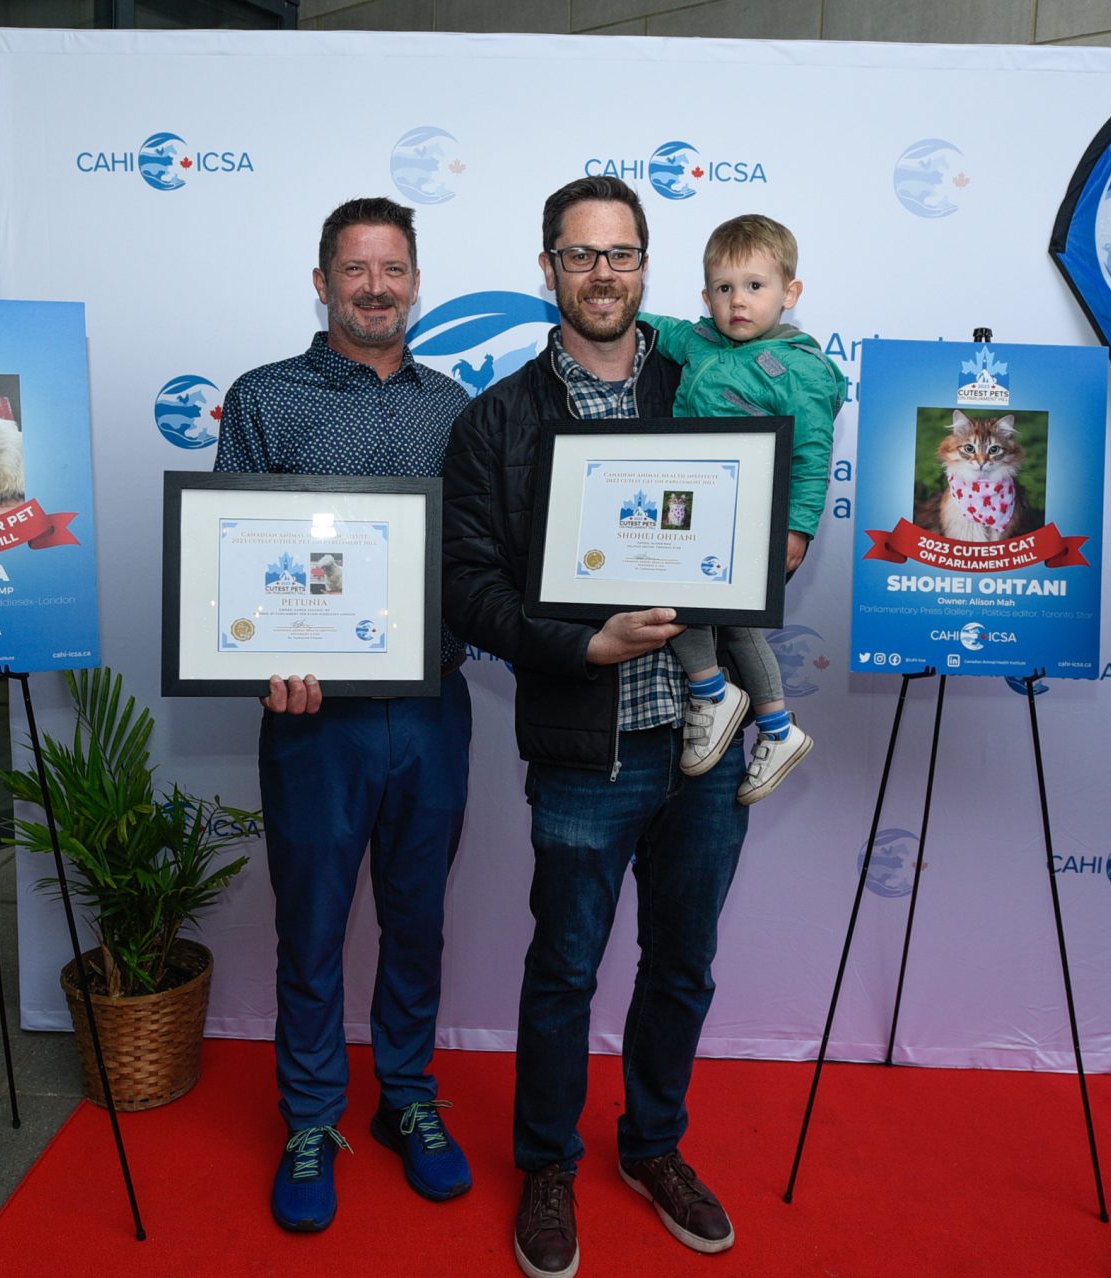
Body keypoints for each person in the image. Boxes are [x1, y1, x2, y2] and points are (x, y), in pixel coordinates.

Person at [443, 176, 749, 1278]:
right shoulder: (499, 422)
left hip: (706, 750)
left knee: (683, 967)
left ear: (646, 268)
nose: (602, 273)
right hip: (586, 747)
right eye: (581, 255)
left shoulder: (705, 384)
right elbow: (467, 588)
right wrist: (586, 645)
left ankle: (653, 1147)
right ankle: (549, 1164)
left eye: (622, 255)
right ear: (549, 270)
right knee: (565, 969)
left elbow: (758, 509)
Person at [216, 196, 474, 1233]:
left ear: (417, 281)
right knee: (312, 924)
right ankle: (313, 1116)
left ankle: (408, 1097)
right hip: (312, 718)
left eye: (395, 269)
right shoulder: (265, 397)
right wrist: (265, 661)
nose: (377, 287)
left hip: (430, 707)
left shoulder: (455, 404)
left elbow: (475, 557)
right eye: (356, 269)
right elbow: (231, 551)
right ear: (322, 282)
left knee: (417, 919)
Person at [641, 213, 844, 805]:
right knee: (660, 583)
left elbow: (811, 453)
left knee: (735, 619)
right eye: (724, 289)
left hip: (750, 513)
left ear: (790, 293)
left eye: (755, 287)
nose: (738, 302)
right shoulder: (699, 340)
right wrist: (615, 309)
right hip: (687, 497)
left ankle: (759, 718)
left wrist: (798, 528)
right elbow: (652, 326)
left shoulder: (799, 368)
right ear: (707, 296)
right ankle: (735, 704)